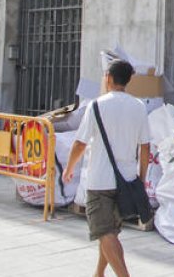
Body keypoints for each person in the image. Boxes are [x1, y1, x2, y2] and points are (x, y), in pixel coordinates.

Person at [65, 60, 151, 277]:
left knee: (104, 232)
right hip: (127, 180)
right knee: (110, 231)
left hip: (100, 180)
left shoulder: (96, 105)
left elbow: (80, 143)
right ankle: (99, 273)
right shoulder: (139, 107)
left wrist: (69, 168)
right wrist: (141, 177)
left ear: (110, 78)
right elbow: (145, 147)